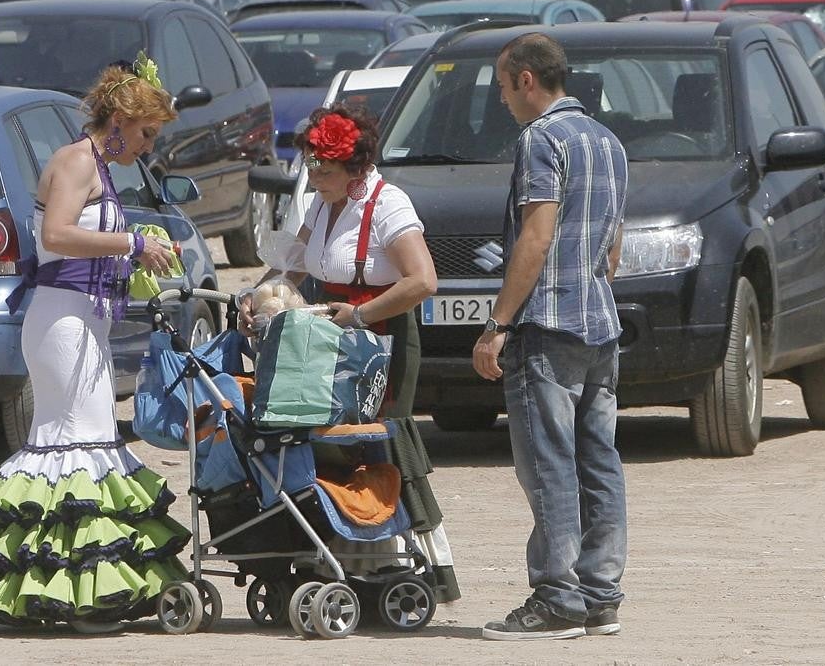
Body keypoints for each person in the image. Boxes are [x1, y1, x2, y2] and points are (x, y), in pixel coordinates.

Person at [0, 52, 188, 632]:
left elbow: (79, 237)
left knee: (85, 438)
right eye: (146, 133)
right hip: (61, 322)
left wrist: (132, 252)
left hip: (82, 319)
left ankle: (62, 582)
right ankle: (72, 585)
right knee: (75, 441)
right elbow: (56, 234)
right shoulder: (77, 161)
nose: (149, 146)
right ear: (120, 120)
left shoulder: (98, 167)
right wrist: (129, 243)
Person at [239, 103, 460, 602]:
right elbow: (289, 270)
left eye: (326, 166)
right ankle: (337, 554)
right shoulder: (320, 203)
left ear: (355, 166)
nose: (315, 174)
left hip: (382, 340)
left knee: (380, 443)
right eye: (312, 164)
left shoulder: (389, 206)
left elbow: (423, 282)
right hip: (327, 339)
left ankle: (406, 563)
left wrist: (359, 315)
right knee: (326, 441)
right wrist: (253, 301)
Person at [473, 32, 629, 641]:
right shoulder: (608, 141)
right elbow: (612, 246)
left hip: (548, 325)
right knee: (600, 461)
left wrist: (498, 325)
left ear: (527, 80)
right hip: (600, 324)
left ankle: (558, 597)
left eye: (503, 85)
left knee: (547, 462)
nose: (502, 98)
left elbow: (534, 238)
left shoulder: (540, 141)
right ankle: (600, 593)